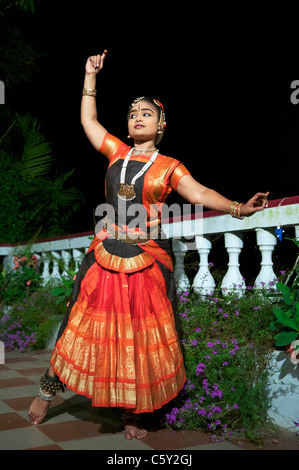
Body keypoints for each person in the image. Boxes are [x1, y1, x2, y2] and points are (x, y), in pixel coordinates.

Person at [28, 50, 269, 440]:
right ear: (127, 127)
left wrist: (239, 208)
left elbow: (201, 192)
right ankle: (47, 391)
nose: (137, 117)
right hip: (105, 254)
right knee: (79, 324)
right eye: (132, 113)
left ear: (161, 126)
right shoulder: (116, 152)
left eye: (146, 113)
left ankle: (133, 413)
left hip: (146, 257)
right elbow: (88, 120)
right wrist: (90, 78)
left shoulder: (170, 166)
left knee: (138, 336)